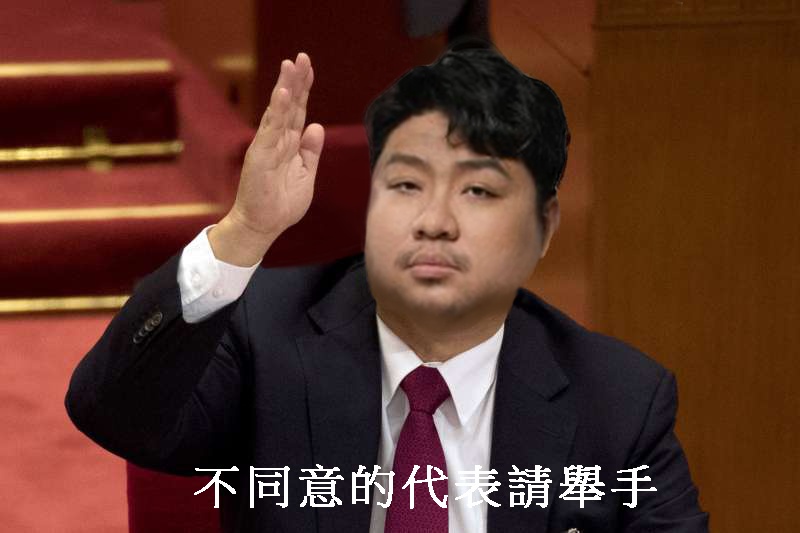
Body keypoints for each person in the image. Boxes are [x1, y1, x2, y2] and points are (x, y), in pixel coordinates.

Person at [66, 45, 708, 532]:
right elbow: (111, 413)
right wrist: (244, 232)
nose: (434, 221)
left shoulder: (619, 402)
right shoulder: (266, 335)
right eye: (407, 184)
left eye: (478, 191)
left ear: (542, 227)